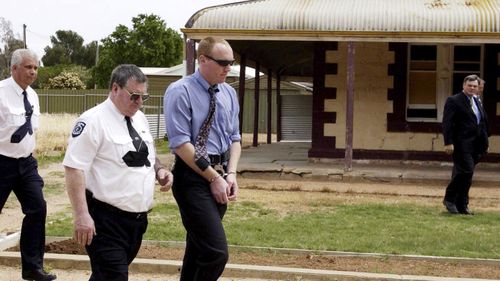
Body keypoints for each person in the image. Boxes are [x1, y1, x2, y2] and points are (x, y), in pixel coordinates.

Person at [63, 64, 173, 281]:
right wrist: (81, 215)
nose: (140, 103)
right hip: (105, 221)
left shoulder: (139, 119)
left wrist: (159, 170)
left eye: (144, 97)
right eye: (134, 96)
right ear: (115, 88)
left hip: (136, 223)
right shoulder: (92, 121)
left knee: (105, 276)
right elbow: (74, 168)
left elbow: (147, 154)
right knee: (114, 276)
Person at [164, 36, 241, 281]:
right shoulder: (180, 91)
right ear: (203, 60)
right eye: (222, 62)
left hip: (222, 173)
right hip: (193, 178)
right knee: (216, 253)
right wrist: (213, 177)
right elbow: (180, 144)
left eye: (231, 62)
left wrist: (230, 174)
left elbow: (235, 138)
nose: (228, 67)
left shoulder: (229, 93)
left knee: (198, 249)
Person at [0, 49, 57, 281]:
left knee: (38, 208)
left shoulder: (32, 95)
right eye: (28, 67)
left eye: (35, 67)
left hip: (26, 163)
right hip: (1, 162)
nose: (33, 72)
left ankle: (33, 268)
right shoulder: (1, 92)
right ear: (14, 68)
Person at [442, 74, 489, 215]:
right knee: (466, 171)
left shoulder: (477, 101)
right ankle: (449, 198)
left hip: (476, 146)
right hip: (461, 144)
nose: (472, 88)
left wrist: (486, 142)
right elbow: (447, 123)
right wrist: (448, 142)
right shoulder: (453, 100)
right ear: (464, 85)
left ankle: (462, 205)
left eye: (475, 86)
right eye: (470, 85)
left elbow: (482, 123)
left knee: (467, 176)